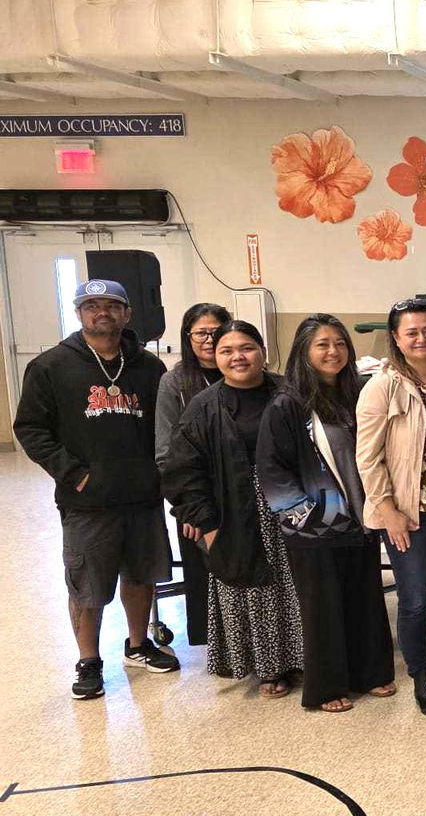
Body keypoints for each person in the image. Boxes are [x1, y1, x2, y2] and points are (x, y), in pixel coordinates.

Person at [15, 278, 179, 699]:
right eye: (91, 305)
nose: (101, 311)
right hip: (87, 500)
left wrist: (160, 475)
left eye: (111, 305)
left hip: (142, 494)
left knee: (142, 574)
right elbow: (31, 429)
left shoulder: (148, 367)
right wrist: (73, 473)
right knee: (88, 584)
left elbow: (164, 427)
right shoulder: (51, 367)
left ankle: (138, 646)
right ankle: (89, 660)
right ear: (78, 314)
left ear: (127, 314)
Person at [258, 314, 395, 713]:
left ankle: (370, 673)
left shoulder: (358, 394)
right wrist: (305, 517)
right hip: (314, 527)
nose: (333, 351)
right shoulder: (286, 405)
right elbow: (272, 470)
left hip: (360, 517)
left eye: (339, 343)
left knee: (365, 596)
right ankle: (326, 687)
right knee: (323, 606)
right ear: (304, 351)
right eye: (322, 344)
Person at [162, 321, 303, 697]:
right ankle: (269, 666)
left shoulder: (289, 392)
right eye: (227, 350)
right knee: (254, 585)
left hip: (292, 504)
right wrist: (207, 525)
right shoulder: (203, 407)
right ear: (214, 357)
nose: (238, 357)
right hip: (235, 507)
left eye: (246, 347)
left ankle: (306, 658)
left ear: (263, 351)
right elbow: (183, 471)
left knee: (298, 583)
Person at [356, 298, 426, 717]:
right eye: (411, 332)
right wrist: (387, 511)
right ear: (396, 339)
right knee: (415, 600)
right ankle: (421, 674)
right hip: (408, 515)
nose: (422, 338)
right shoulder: (381, 386)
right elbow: (367, 457)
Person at [155, 300, 231, 646]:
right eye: (201, 332)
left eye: (216, 332)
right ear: (188, 336)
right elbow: (166, 452)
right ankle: (220, 645)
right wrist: (187, 507)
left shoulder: (242, 369)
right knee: (207, 572)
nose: (209, 339)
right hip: (195, 495)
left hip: (242, 490)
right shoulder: (175, 383)